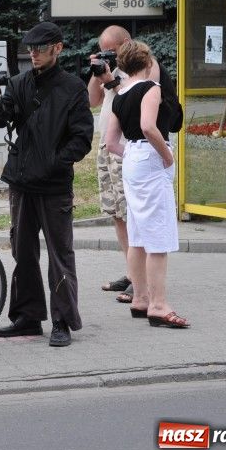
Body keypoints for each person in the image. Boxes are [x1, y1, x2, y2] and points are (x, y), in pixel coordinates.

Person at [0, 21, 94, 347]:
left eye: (41, 49)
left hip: (55, 185)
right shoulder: (18, 83)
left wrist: (54, 162)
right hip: (21, 181)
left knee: (60, 255)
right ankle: (27, 318)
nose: (34, 54)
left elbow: (82, 139)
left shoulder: (73, 88)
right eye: (30, 49)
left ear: (57, 48)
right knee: (23, 251)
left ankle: (62, 320)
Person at [104, 40, 189, 329]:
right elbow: (148, 126)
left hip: (132, 161)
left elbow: (110, 142)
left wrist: (132, 154)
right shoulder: (152, 89)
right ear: (147, 62)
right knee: (158, 237)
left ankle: (140, 298)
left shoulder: (119, 94)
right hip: (152, 158)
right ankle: (159, 304)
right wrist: (167, 156)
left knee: (138, 233)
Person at [88, 25, 159, 304]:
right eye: (105, 51)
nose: (110, 56)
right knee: (117, 212)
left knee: (132, 214)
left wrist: (112, 80)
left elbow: (138, 100)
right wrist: (97, 73)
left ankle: (142, 283)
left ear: (126, 43)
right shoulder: (110, 69)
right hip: (107, 146)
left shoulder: (144, 66)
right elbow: (92, 101)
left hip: (129, 148)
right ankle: (132, 275)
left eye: (112, 51)